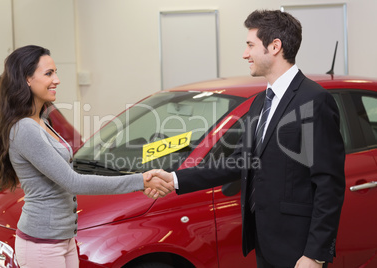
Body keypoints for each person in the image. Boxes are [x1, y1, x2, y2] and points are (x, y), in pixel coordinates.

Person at [145, 9, 345, 268]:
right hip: (264, 243)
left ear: (275, 47)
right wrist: (174, 179)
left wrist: (315, 255)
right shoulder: (261, 102)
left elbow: (329, 185)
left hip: (298, 249)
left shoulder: (314, 100)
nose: (245, 54)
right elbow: (238, 162)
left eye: (250, 45)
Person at [0, 45, 173, 268]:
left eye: (56, 72)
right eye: (49, 73)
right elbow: (73, 181)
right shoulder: (25, 128)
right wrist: (140, 180)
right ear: (26, 79)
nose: (56, 80)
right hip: (42, 244)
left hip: (62, 239)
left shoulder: (41, 121)